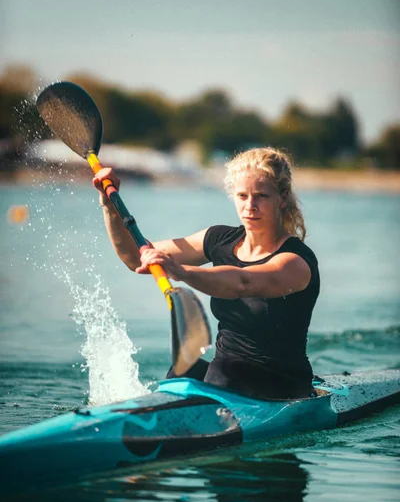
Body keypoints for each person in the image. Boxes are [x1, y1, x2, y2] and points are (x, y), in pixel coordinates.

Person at [93, 147, 320, 400]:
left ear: (283, 198)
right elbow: (135, 257)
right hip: (226, 377)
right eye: (242, 195)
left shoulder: (296, 261)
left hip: (284, 384)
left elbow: (243, 282)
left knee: (222, 371)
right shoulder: (218, 239)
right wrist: (109, 206)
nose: (250, 206)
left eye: (261, 196)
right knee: (183, 370)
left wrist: (180, 271)